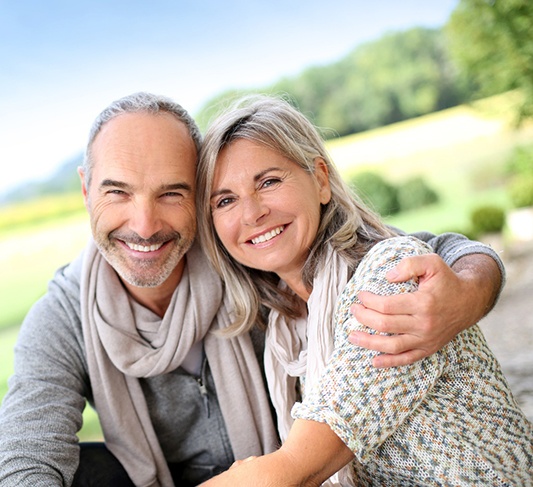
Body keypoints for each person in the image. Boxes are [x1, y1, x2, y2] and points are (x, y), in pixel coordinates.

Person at [0, 91, 506, 487]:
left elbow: (423, 250)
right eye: (117, 192)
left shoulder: (243, 265)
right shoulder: (68, 314)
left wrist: (469, 288)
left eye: (172, 193)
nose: (146, 224)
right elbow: (26, 451)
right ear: (87, 190)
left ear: (196, 200)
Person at [195, 94, 533, 486]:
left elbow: (291, 472)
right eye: (225, 200)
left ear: (321, 180)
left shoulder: (388, 279)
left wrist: (476, 281)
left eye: (268, 182)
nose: (252, 213)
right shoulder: (285, 331)